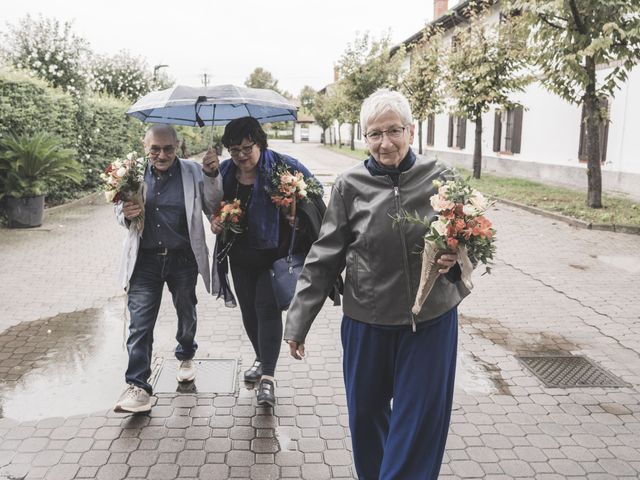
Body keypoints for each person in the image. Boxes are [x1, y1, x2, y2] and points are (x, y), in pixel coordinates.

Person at [284, 89, 471, 479]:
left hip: (430, 322)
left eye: (393, 131)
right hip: (366, 322)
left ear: (411, 131)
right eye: (374, 134)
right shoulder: (349, 185)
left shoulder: (441, 180)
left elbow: (469, 245)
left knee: (417, 423)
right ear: (364, 137)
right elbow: (324, 257)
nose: (385, 143)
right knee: (367, 419)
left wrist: (456, 260)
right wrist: (298, 322)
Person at [209, 116, 331, 407]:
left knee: (266, 310)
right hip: (239, 256)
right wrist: (216, 219)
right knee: (249, 314)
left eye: (246, 148)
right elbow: (213, 204)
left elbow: (315, 192)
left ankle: (268, 378)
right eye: (234, 149)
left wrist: (298, 212)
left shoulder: (284, 166)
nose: (240, 156)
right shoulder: (225, 171)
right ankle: (262, 358)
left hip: (273, 257)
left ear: (260, 144)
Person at [113, 124, 222, 413]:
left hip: (182, 258)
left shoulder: (191, 171)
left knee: (186, 311)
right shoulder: (132, 174)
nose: (162, 155)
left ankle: (186, 353)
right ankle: (138, 386)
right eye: (155, 149)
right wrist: (125, 214)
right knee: (140, 324)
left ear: (178, 145)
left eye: (168, 148)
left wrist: (212, 174)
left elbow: (213, 204)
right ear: (145, 146)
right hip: (145, 260)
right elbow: (119, 208)